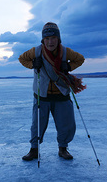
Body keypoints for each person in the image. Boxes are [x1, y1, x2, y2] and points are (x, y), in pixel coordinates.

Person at [18, 22, 86, 161]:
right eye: (47, 38)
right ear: (43, 40)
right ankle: (34, 150)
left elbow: (80, 59)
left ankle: (63, 149)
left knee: (65, 124)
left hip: (61, 94)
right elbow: (22, 58)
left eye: (53, 37)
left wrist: (68, 66)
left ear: (58, 38)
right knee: (37, 124)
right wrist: (32, 64)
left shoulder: (66, 52)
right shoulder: (36, 51)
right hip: (41, 95)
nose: (50, 41)